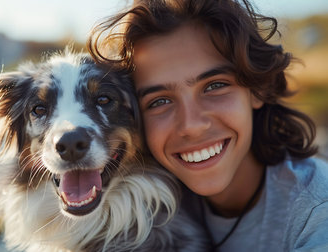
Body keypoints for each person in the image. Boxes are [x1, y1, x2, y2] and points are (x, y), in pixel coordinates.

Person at [87, 0, 328, 251]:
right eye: (159, 101)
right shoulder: (141, 196)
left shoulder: (317, 214)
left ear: (257, 89)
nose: (192, 126)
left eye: (214, 86)